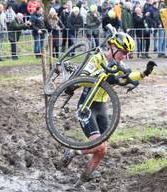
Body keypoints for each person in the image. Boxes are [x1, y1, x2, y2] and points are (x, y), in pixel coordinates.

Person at [59, 30, 157, 185]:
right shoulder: (97, 58)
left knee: (102, 150)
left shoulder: (119, 64)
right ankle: (72, 151)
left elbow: (128, 76)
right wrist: (102, 73)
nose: (125, 56)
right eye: (124, 52)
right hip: (87, 106)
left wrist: (144, 73)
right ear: (113, 46)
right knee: (97, 143)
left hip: (102, 108)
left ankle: (81, 181)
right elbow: (84, 77)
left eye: (127, 53)